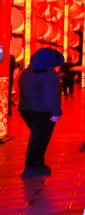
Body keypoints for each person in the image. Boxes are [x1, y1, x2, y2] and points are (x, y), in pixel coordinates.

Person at [18, 48, 63, 178]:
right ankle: (32, 166)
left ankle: (37, 164)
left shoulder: (26, 72)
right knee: (40, 139)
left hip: (26, 109)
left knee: (37, 136)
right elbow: (50, 95)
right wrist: (56, 112)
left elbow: (20, 87)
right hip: (43, 111)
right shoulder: (49, 74)